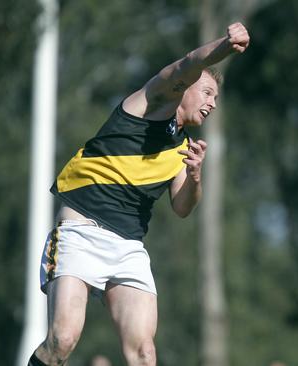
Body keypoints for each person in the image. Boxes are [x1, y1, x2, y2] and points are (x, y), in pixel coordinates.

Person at [28, 22, 250, 366]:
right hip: (80, 233)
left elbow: (182, 207)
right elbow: (187, 64)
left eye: (216, 99)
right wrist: (226, 44)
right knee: (63, 340)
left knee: (145, 354)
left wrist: (194, 175)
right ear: (187, 88)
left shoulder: (183, 148)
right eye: (207, 93)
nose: (212, 103)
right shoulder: (149, 102)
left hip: (128, 247)